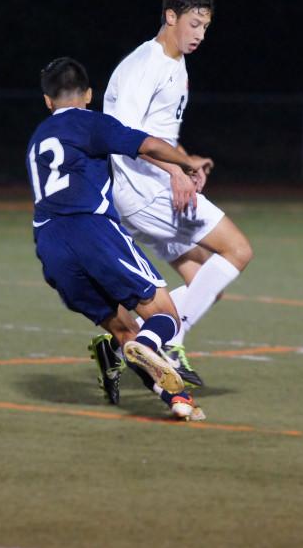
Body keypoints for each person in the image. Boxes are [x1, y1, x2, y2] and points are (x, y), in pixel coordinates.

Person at [28, 57, 213, 421]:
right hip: (92, 232)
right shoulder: (90, 123)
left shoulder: (36, 139)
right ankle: (147, 345)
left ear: (47, 101)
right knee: (165, 319)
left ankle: (178, 400)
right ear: (89, 94)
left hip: (50, 247)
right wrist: (187, 164)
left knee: (124, 331)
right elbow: (148, 146)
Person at [101, 0, 253, 387]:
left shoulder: (175, 62)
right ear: (170, 16)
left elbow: (160, 133)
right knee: (238, 250)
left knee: (207, 279)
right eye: (194, 24)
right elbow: (127, 137)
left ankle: (118, 345)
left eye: (205, 27)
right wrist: (174, 171)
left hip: (156, 187)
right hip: (145, 192)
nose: (200, 35)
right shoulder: (144, 66)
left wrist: (185, 163)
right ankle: (159, 342)